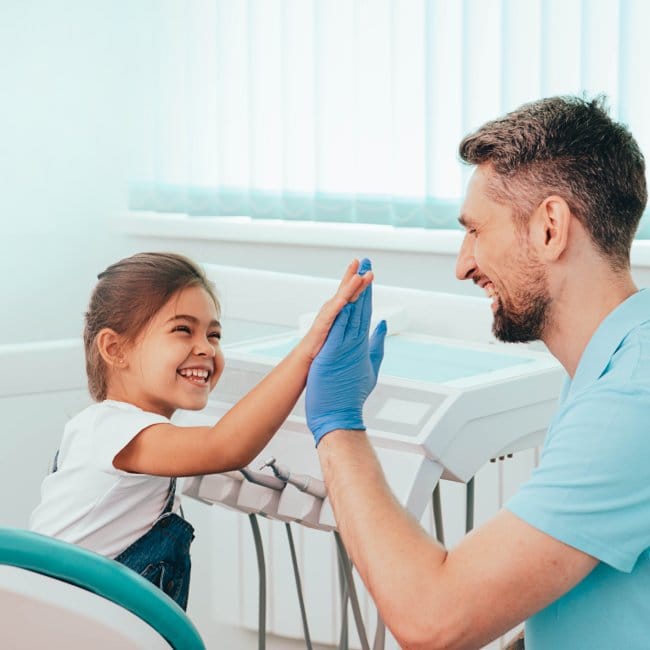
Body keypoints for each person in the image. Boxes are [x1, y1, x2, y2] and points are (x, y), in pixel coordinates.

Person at [305, 96, 650, 649]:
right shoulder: (611, 364)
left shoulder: (630, 399)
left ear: (550, 228)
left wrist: (337, 425)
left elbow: (432, 620)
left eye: (476, 231)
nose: (463, 264)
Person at [30, 251, 373, 610]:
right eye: (183, 329)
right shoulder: (113, 430)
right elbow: (224, 445)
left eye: (214, 334)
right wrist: (309, 348)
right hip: (61, 626)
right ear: (115, 349)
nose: (206, 347)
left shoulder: (116, 429)